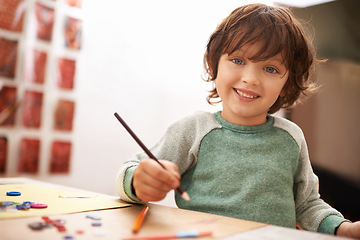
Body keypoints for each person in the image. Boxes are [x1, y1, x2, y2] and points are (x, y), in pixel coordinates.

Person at [116, 3, 360, 238]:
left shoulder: (292, 138)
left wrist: (343, 229)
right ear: (214, 65)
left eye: (271, 69)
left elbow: (307, 205)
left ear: (287, 84)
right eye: (238, 61)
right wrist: (138, 180)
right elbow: (129, 172)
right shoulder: (193, 129)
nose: (250, 79)